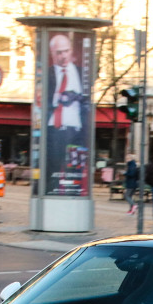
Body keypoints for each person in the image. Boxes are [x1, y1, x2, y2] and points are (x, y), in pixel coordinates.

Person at [45, 32, 86, 194]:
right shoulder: (48, 74)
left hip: (76, 130)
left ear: (71, 51)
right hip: (55, 129)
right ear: (52, 54)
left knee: (75, 168)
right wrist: (59, 97)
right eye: (59, 52)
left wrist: (77, 97)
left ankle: (73, 194)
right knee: (54, 166)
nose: (63, 56)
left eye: (66, 51)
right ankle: (51, 193)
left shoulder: (81, 72)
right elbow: (44, 101)